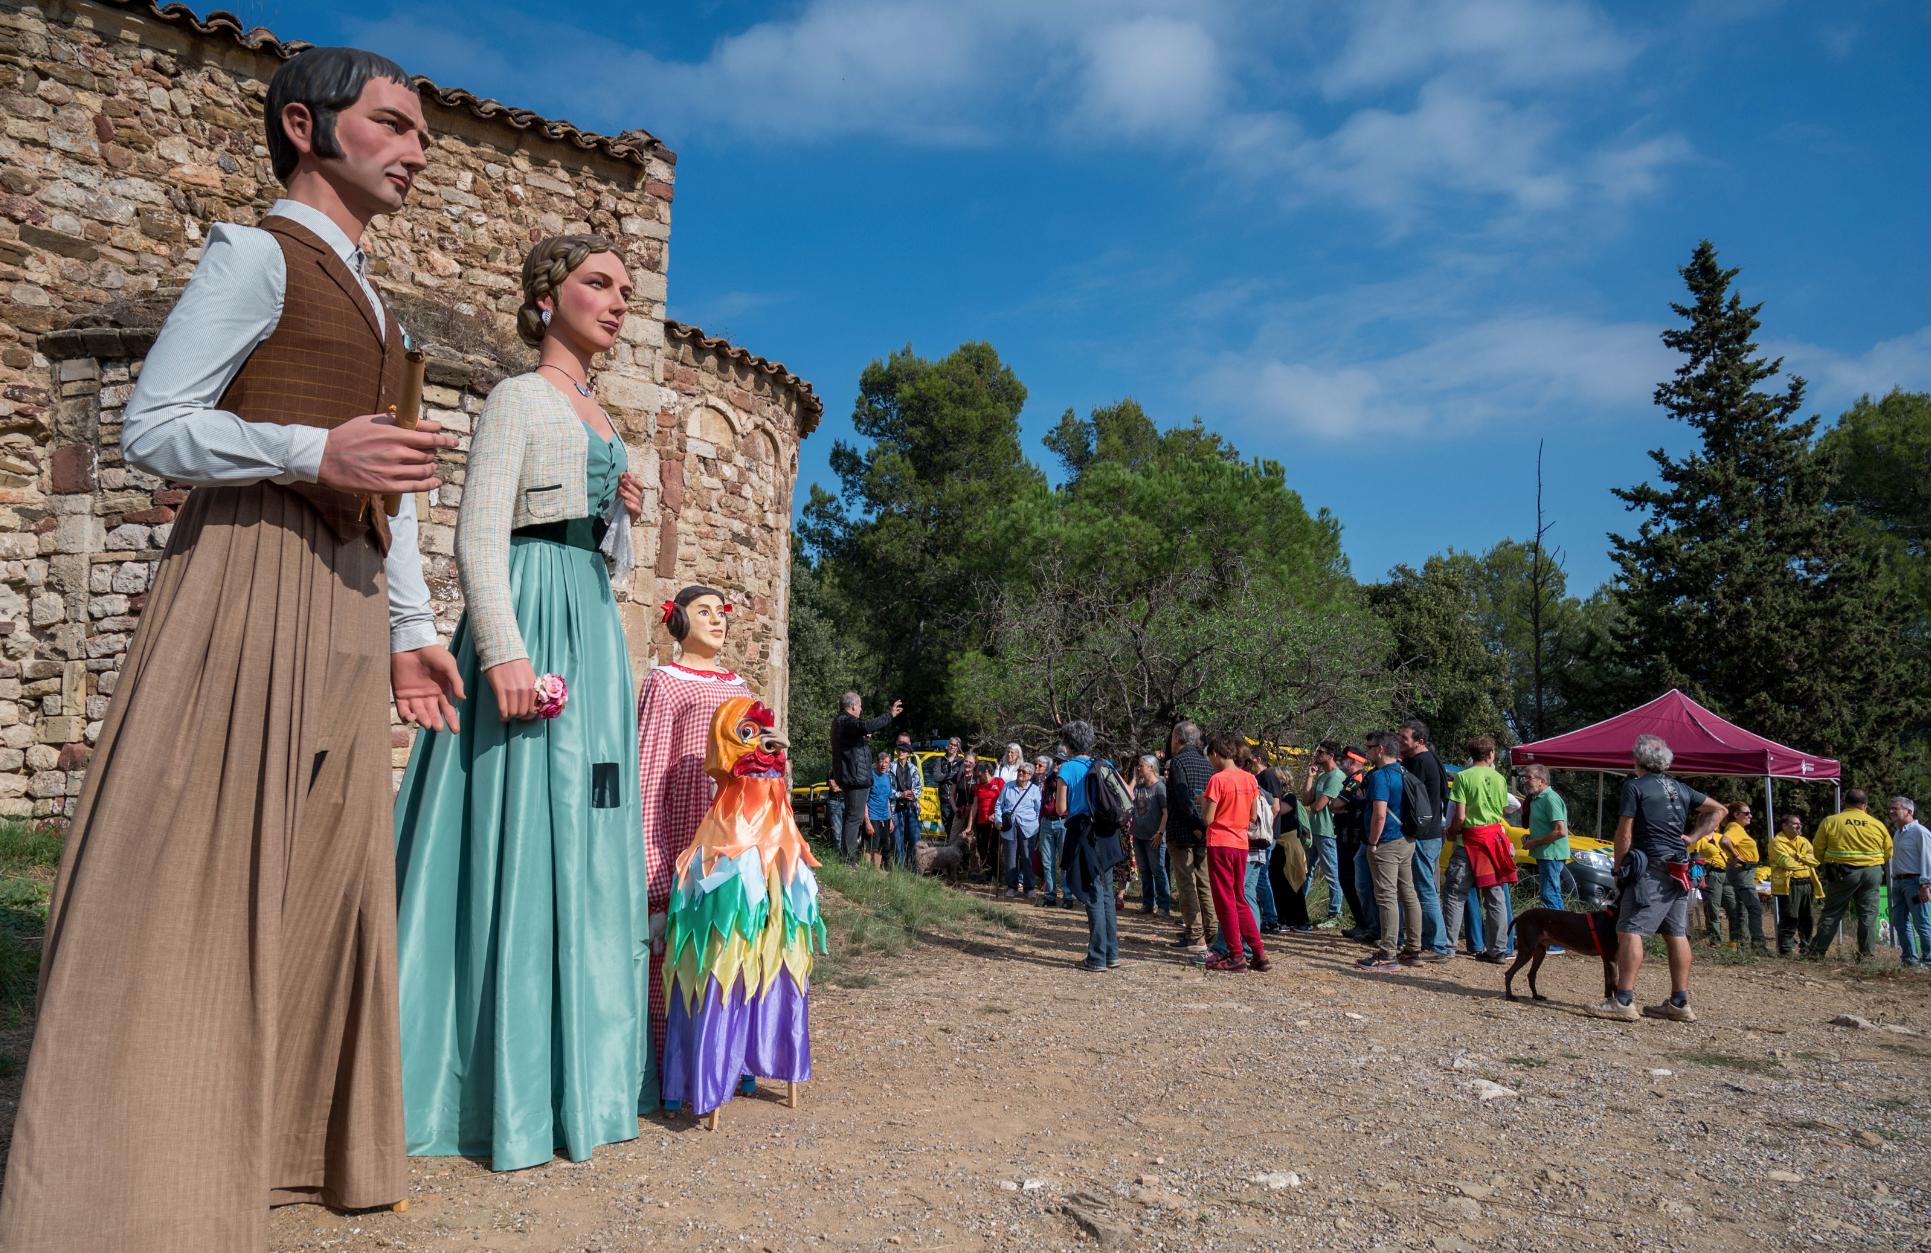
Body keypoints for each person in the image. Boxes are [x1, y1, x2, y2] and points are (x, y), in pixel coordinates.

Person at [0, 48, 463, 1250]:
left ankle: (272, 1145)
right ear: (306, 126)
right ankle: (127, 1163)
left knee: (320, 866)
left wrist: (412, 630)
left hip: (348, 592)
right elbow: (153, 424)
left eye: (421, 133)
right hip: (251, 569)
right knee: (195, 859)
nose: (416, 152)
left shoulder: (380, 306)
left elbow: (393, 484)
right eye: (394, 125)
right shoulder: (257, 256)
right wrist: (312, 450)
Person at [392, 234, 651, 1169]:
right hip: (531, 616)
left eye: (625, 290)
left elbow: (610, 561)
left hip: (589, 620)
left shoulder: (605, 415)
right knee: (520, 823)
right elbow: (478, 535)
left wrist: (620, 515)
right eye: (597, 284)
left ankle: (583, 1072)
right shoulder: (518, 396)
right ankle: (496, 1083)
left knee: (587, 823)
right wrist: (504, 651)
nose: (616, 302)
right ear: (547, 297)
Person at [1586, 734, 1725, 1022]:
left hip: (1650, 865)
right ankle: (1679, 1003)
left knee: (1629, 929)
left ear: (1637, 760)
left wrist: (1618, 868)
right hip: (1679, 866)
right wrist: (1692, 838)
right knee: (1676, 932)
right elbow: (1719, 810)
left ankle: (1623, 1001)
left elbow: (1625, 833)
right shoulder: (1681, 787)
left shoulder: (1634, 786)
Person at [1058, 721, 1123, 972]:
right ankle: (1111, 954)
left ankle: (1096, 958)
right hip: (1107, 834)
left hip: (1085, 834)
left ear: (1068, 743)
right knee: (1106, 893)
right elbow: (1125, 795)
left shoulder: (1067, 768)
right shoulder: (1105, 764)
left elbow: (1061, 808)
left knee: (1094, 895)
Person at [1200, 733, 1267, 973]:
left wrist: (1202, 801)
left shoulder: (1217, 780)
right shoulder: (1249, 779)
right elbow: (1252, 816)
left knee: (1225, 901)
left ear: (1215, 753)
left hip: (1220, 843)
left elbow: (1208, 819)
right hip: (1241, 844)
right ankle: (1258, 953)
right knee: (1240, 899)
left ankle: (1236, 955)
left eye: (1210, 757)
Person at [1443, 736, 1513, 963]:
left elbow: (1460, 816)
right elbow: (1502, 810)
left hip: (1468, 841)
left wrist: (1452, 832)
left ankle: (1447, 947)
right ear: (1491, 754)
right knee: (1495, 896)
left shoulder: (1463, 777)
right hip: (1493, 842)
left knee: (1455, 894)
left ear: (1471, 755)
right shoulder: (1500, 779)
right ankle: (1497, 950)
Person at [1354, 731, 1418, 972]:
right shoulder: (1403, 771)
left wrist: (1372, 842)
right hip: (1406, 840)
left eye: (1369, 747)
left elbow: (1379, 815)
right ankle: (1413, 950)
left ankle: (1388, 954)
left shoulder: (1381, 776)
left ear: (1380, 749)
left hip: (1386, 843)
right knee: (1408, 894)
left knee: (1386, 897)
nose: (1367, 752)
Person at [1807, 789, 1893, 960]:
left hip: (1842, 872)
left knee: (1832, 912)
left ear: (1845, 802)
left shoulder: (1831, 821)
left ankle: (1817, 952)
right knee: (1868, 915)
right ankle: (1867, 956)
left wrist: (1827, 863)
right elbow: (1888, 851)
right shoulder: (1877, 824)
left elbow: (1818, 849)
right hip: (1872, 872)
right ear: (1865, 805)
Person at [1397, 721, 1451, 957]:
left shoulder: (1420, 762)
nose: (1400, 741)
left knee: (1425, 890)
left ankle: (1436, 945)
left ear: (1419, 741)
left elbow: (1406, 795)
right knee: (1423, 888)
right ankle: (1430, 941)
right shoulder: (1430, 758)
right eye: (1399, 736)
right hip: (1429, 834)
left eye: (1404, 738)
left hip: (1423, 836)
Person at [830, 692, 902, 866]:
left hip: (854, 776)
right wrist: (889, 716)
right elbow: (865, 725)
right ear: (853, 705)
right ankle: (848, 861)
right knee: (854, 818)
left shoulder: (844, 722)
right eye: (860, 706)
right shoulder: (845, 721)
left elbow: (860, 729)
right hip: (855, 777)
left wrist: (862, 735)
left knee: (852, 817)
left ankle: (848, 859)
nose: (861, 709)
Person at [1165, 721, 1218, 953]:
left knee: (1186, 883)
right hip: (1204, 831)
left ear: (1177, 739)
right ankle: (1213, 933)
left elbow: (1184, 800)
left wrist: (1197, 824)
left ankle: (1195, 934)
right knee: (1205, 883)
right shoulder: (1207, 764)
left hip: (1182, 830)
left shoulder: (1178, 761)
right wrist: (1203, 826)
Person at [1522, 764, 1571, 950]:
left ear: (1542, 780)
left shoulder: (1550, 798)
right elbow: (1547, 828)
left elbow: (1560, 831)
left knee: (1550, 895)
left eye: (1529, 777)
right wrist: (1530, 837)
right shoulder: (1536, 798)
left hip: (1552, 854)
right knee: (1552, 896)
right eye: (1524, 777)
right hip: (1546, 854)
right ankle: (1562, 940)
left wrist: (1534, 842)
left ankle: (1557, 943)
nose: (1525, 780)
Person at [1300, 742, 1348, 928]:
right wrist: (1309, 777)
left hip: (1328, 833)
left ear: (1331, 755)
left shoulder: (1336, 777)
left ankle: (1335, 914)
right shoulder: (1322, 776)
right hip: (1314, 831)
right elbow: (1306, 800)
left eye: (1320, 752)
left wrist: (1314, 805)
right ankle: (1299, 910)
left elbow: (1318, 806)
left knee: (1332, 874)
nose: (1316, 754)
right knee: (1305, 871)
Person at [1331, 749, 1374, 938]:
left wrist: (1339, 806)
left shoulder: (1357, 780)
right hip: (1346, 836)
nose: (1340, 761)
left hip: (1352, 838)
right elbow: (1334, 806)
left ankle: (1365, 923)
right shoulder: (1351, 780)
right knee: (1348, 880)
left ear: (1354, 761)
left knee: (1351, 880)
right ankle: (1362, 923)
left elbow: (1336, 804)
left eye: (1344, 758)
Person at [1716, 802, 1768, 952]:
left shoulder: (1737, 828)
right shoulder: (1735, 827)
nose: (1750, 816)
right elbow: (1724, 840)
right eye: (1746, 813)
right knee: (1754, 907)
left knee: (1742, 908)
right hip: (1742, 871)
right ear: (1736, 815)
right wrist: (1736, 856)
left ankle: (1741, 944)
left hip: (1743, 871)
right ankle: (1758, 945)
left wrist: (1736, 856)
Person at [1767, 813, 1820, 955]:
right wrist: (1806, 859)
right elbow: (1787, 864)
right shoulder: (1776, 843)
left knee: (1807, 918)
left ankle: (1806, 947)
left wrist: (1798, 856)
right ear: (1785, 826)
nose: (1799, 826)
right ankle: (1785, 949)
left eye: (1800, 824)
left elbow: (1816, 860)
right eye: (1795, 824)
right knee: (1789, 917)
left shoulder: (1803, 841)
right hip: (1789, 885)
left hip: (1807, 884)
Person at [1889, 797, 1931, 967]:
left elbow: (1928, 860)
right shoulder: (1898, 832)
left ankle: (1928, 961)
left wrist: (1925, 885)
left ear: (1908, 811)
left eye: (1895, 808)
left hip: (1915, 883)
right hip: (1898, 882)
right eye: (1890, 808)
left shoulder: (1920, 832)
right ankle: (1909, 959)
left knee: (1921, 923)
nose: (1891, 811)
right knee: (1899, 921)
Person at [1130, 754, 1172, 916]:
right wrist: (1134, 779)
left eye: (1141, 765)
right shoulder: (1139, 787)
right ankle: (1148, 904)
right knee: (1144, 871)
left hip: (1154, 837)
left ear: (1151, 767)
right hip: (1138, 835)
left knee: (1158, 871)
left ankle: (1164, 906)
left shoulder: (1160, 788)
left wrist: (1160, 833)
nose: (1138, 768)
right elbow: (1127, 796)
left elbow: (1166, 812)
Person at [997, 762, 1043, 898]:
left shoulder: (1034, 789)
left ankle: (1029, 888)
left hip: (1029, 829)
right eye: (1019, 771)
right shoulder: (1008, 786)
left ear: (1030, 776)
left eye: (1024, 772)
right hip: (1009, 827)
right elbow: (999, 805)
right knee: (1010, 858)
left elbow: (1038, 810)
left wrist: (1035, 825)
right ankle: (1012, 887)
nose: (1020, 773)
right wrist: (998, 820)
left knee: (1027, 858)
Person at [1689, 822, 1732, 945]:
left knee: (1733, 906)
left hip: (1727, 873)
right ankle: (1715, 941)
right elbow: (1690, 858)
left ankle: (1735, 940)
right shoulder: (1699, 839)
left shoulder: (1721, 837)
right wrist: (1697, 877)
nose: (1716, 823)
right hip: (1711, 874)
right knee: (1713, 908)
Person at [887, 735, 924, 871]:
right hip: (896, 807)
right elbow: (888, 789)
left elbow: (919, 786)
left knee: (915, 837)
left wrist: (913, 795)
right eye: (899, 750)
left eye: (903, 750)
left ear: (908, 754)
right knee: (897, 838)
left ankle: (916, 868)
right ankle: (900, 868)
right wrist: (900, 794)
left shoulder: (913, 768)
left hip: (910, 807)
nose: (901, 752)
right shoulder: (891, 767)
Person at [1036, 752, 1068, 906]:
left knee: (1064, 861)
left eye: (1060, 762)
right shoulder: (1047, 782)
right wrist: (1040, 823)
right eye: (1055, 761)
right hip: (1047, 822)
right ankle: (1050, 895)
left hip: (1063, 822)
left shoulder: (1068, 782)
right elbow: (1042, 804)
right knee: (1047, 862)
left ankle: (1067, 896)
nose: (1056, 764)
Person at [865, 756, 895, 869]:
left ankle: (876, 870)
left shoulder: (888, 777)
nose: (883, 765)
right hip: (872, 815)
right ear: (876, 762)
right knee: (870, 846)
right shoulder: (870, 777)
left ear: (889, 764)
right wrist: (867, 822)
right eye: (881, 762)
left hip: (885, 817)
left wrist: (890, 819)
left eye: (886, 762)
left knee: (881, 846)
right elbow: (864, 801)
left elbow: (888, 800)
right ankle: (867, 870)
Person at [931, 737, 965, 832]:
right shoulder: (939, 760)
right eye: (951, 744)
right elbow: (936, 777)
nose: (952, 747)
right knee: (948, 827)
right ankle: (949, 842)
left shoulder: (962, 761)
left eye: (955, 745)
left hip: (958, 800)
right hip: (944, 799)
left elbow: (960, 778)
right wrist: (953, 775)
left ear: (958, 748)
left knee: (957, 828)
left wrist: (944, 776)